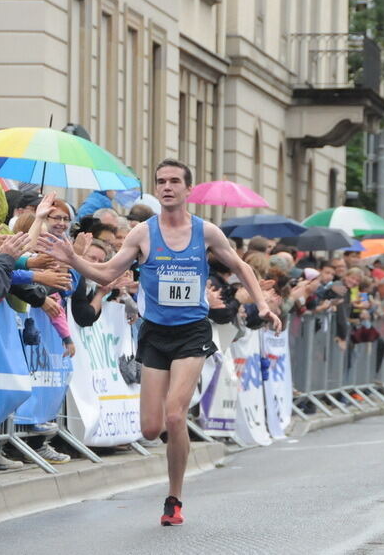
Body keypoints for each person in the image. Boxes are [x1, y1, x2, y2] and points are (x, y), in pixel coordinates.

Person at [42, 159, 281, 526]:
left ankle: (174, 497)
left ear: (187, 190)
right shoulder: (142, 233)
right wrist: (73, 259)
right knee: (151, 428)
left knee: (174, 413)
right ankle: (172, 460)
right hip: (155, 334)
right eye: (161, 181)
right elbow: (107, 272)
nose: (167, 187)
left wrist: (263, 304)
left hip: (192, 332)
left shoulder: (206, 232)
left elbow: (242, 267)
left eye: (174, 181)